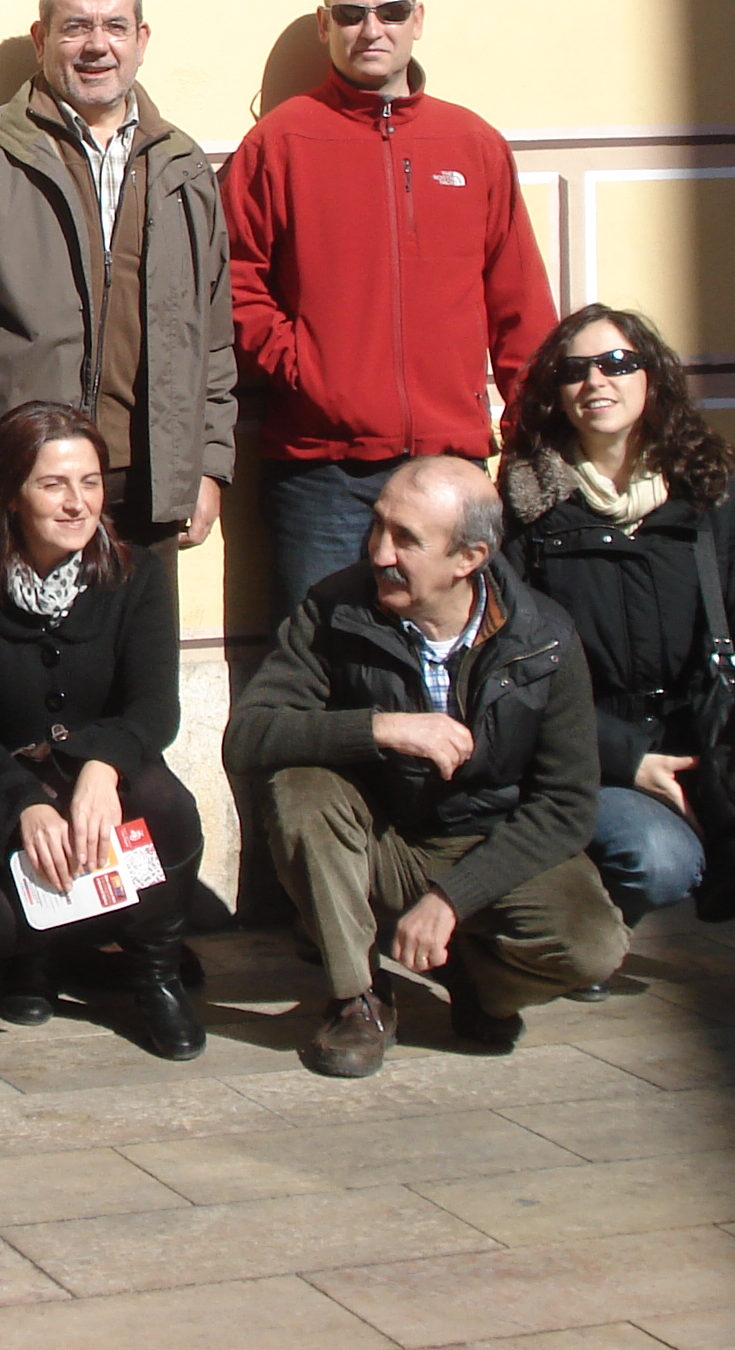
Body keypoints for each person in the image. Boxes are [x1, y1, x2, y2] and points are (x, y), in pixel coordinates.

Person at [502, 306, 735, 1027]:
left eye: (616, 364)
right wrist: (629, 760)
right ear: (555, 393)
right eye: (575, 370)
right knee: (658, 860)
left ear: (653, 381)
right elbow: (517, 673)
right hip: (602, 753)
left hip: (712, 728)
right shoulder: (529, 510)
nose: (596, 382)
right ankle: (586, 936)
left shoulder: (708, 495)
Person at [224, 456, 627, 1077]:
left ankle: (478, 982)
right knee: (298, 789)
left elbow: (567, 805)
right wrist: (384, 729)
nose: (379, 551)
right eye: (377, 525)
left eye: (406, 538)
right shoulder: (333, 608)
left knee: (593, 945)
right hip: (379, 840)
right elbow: (249, 738)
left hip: (486, 843)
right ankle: (356, 998)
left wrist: (452, 897)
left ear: (469, 558)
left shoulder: (544, 637)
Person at [224, 0, 558, 618]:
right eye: (350, 14)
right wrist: (308, 370)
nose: (371, 29)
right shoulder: (278, 143)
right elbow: (233, 285)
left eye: (390, 11)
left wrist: (531, 436)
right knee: (324, 663)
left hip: (451, 465)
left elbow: (519, 303)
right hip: (322, 472)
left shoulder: (472, 144)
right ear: (325, 26)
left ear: (417, 20)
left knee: (458, 658)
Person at [0, 0, 233, 555]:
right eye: (76, 27)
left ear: (141, 39)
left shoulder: (182, 165)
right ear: (42, 39)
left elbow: (213, 338)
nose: (98, 45)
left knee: (137, 654)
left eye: (115, 26)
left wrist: (208, 466)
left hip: (147, 486)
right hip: (20, 482)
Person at [0, 402, 205, 1059]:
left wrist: (101, 770)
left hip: (99, 779)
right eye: (53, 484)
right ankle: (38, 958)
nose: (77, 503)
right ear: (11, 497)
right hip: (6, 787)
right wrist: (22, 803)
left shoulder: (137, 577)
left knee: (169, 809)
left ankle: (155, 972)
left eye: (89, 481)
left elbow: (153, 708)